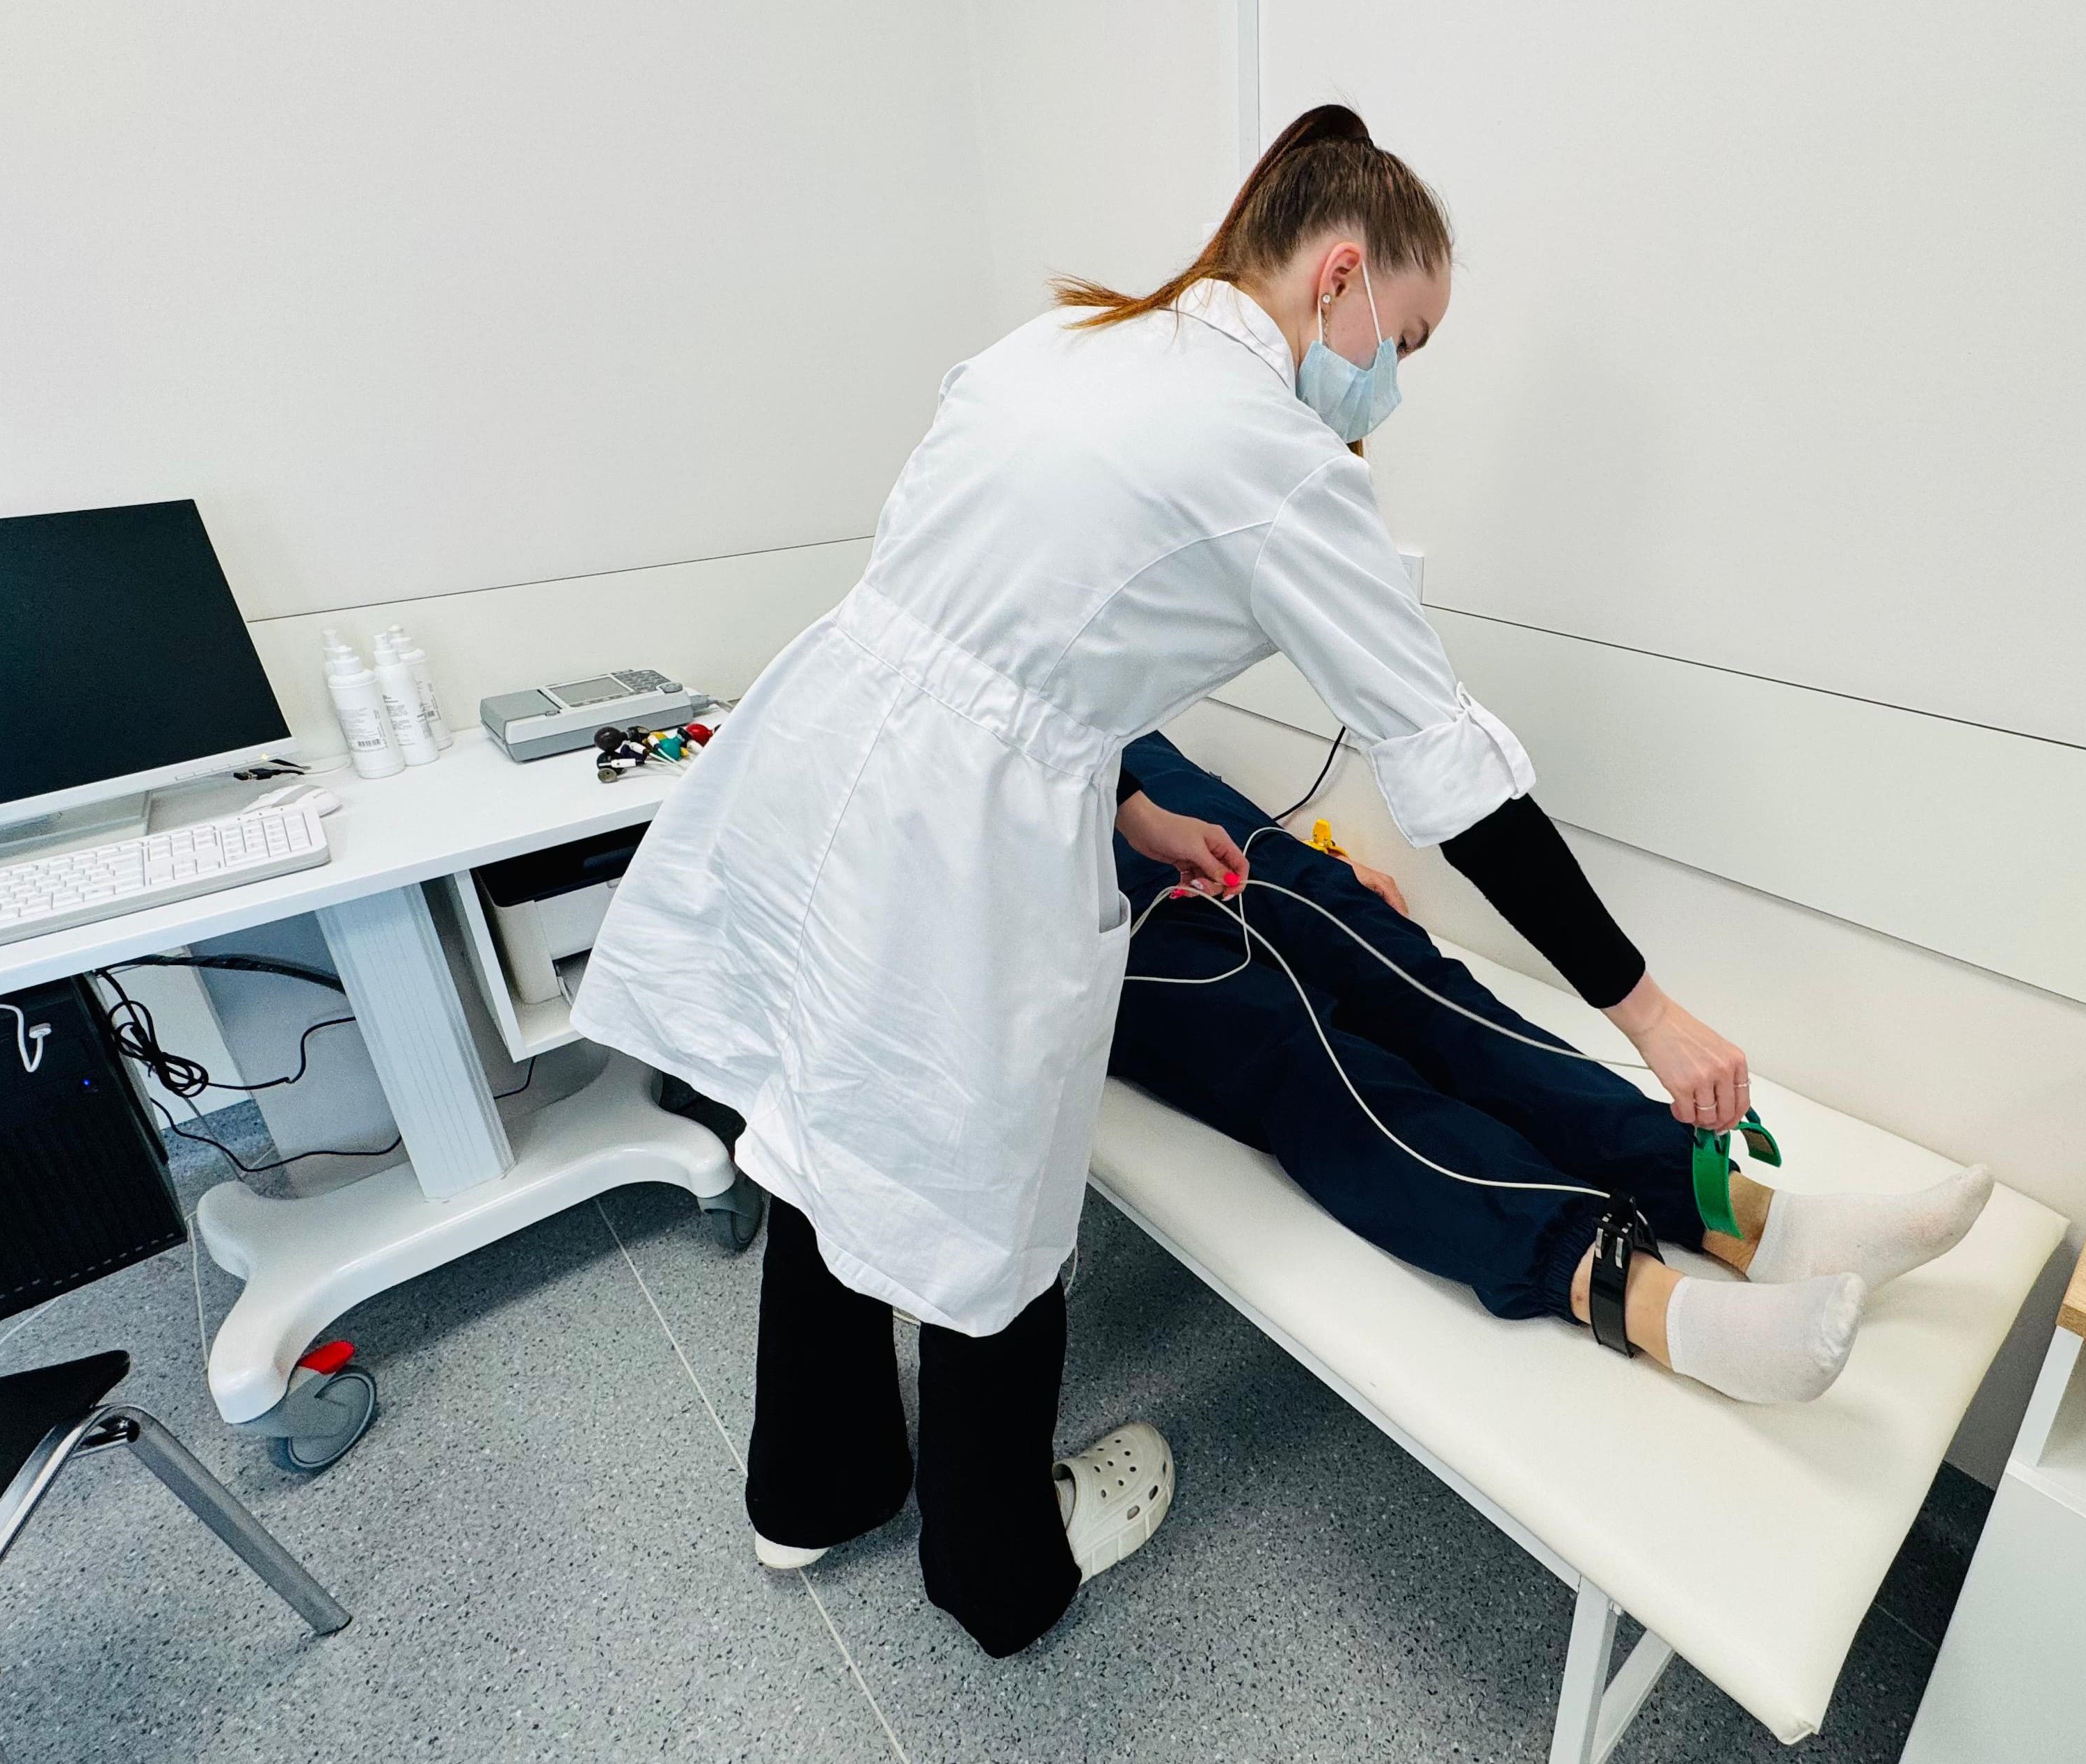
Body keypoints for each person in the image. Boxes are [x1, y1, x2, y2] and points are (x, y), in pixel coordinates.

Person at [573, 104, 1753, 1659]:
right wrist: (1649, 1013)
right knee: (990, 1200)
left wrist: (1130, 801)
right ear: (1341, 274)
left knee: (819, 1113)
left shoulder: (1062, 342)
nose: (1391, 384)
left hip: (824, 766)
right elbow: (1456, 775)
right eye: (1404, 340)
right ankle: (1001, 1571)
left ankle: (814, 1484)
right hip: (955, 848)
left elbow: (999, 621)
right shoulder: (1273, 458)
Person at [1107, 735, 1995, 1404]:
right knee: (1297, 1052)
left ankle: (1755, 1222)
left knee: (1421, 986)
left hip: (1176, 800)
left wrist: (1258, 838)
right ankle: (1635, 1296)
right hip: (1074, 907)